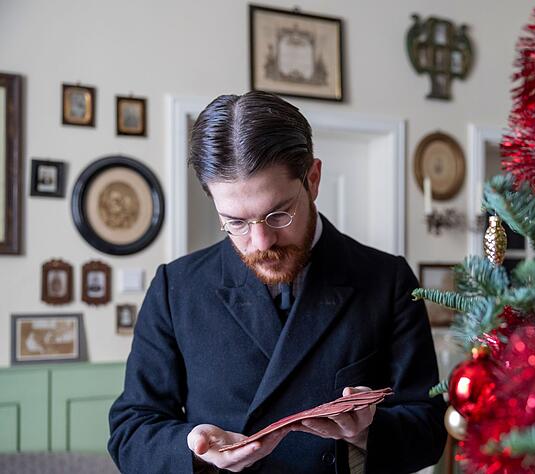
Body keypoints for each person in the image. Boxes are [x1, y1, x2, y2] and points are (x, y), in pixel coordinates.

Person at [108, 91, 447, 473]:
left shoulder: (388, 279)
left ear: (313, 180)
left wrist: (365, 430)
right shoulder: (176, 288)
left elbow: (430, 430)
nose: (261, 242)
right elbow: (130, 431)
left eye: (278, 214)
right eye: (236, 222)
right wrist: (193, 448)